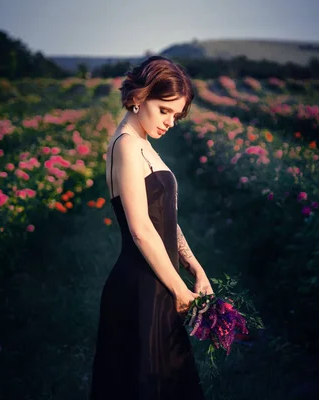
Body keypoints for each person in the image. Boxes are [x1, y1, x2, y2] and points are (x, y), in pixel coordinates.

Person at [89, 56, 214, 399]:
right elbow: (142, 229)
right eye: (164, 110)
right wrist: (180, 290)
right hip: (140, 287)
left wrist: (196, 270)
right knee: (147, 384)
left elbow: (167, 222)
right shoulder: (126, 145)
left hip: (159, 281)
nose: (170, 122)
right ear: (140, 96)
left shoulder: (143, 144)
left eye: (176, 116)